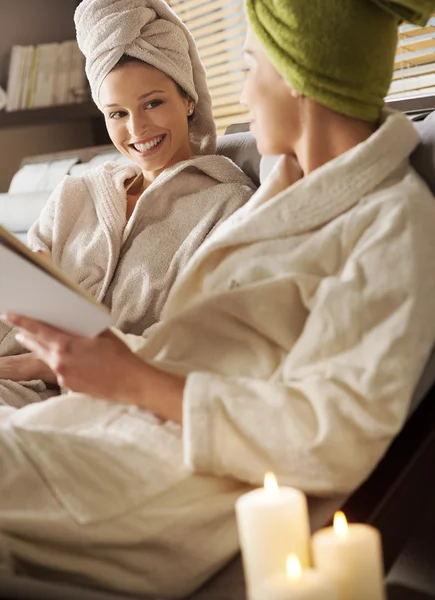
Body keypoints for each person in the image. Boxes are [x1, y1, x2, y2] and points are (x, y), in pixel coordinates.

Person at [2, 0, 435, 597]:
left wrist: (129, 378)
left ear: (297, 82)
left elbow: (336, 435)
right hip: (104, 434)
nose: (238, 96)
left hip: (164, 481)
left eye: (249, 67)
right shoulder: (287, 193)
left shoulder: (394, 223)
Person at [0, 0, 254, 408]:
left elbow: (189, 343)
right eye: (117, 113)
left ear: (187, 98)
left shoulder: (228, 208)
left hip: (106, 403)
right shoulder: (74, 194)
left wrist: (36, 366)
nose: (137, 130)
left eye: (152, 103)